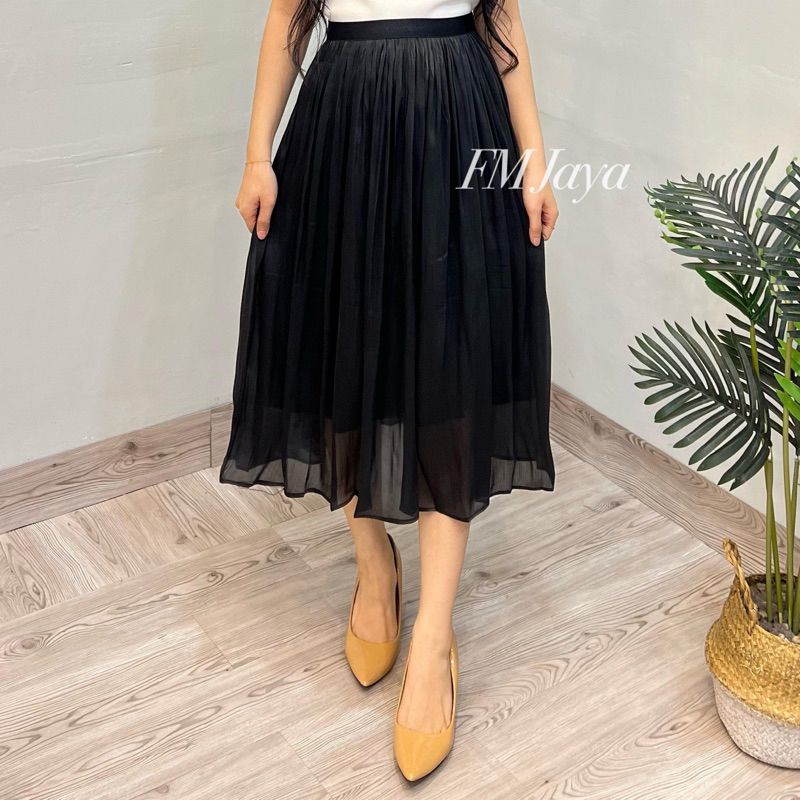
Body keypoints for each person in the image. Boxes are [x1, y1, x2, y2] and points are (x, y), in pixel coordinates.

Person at [219, 0, 557, 782]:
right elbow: (287, 14)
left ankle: (433, 638)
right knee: (341, 349)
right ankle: (375, 564)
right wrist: (257, 154)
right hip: (345, 121)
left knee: (450, 368)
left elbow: (502, 17)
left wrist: (534, 157)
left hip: (459, 115)